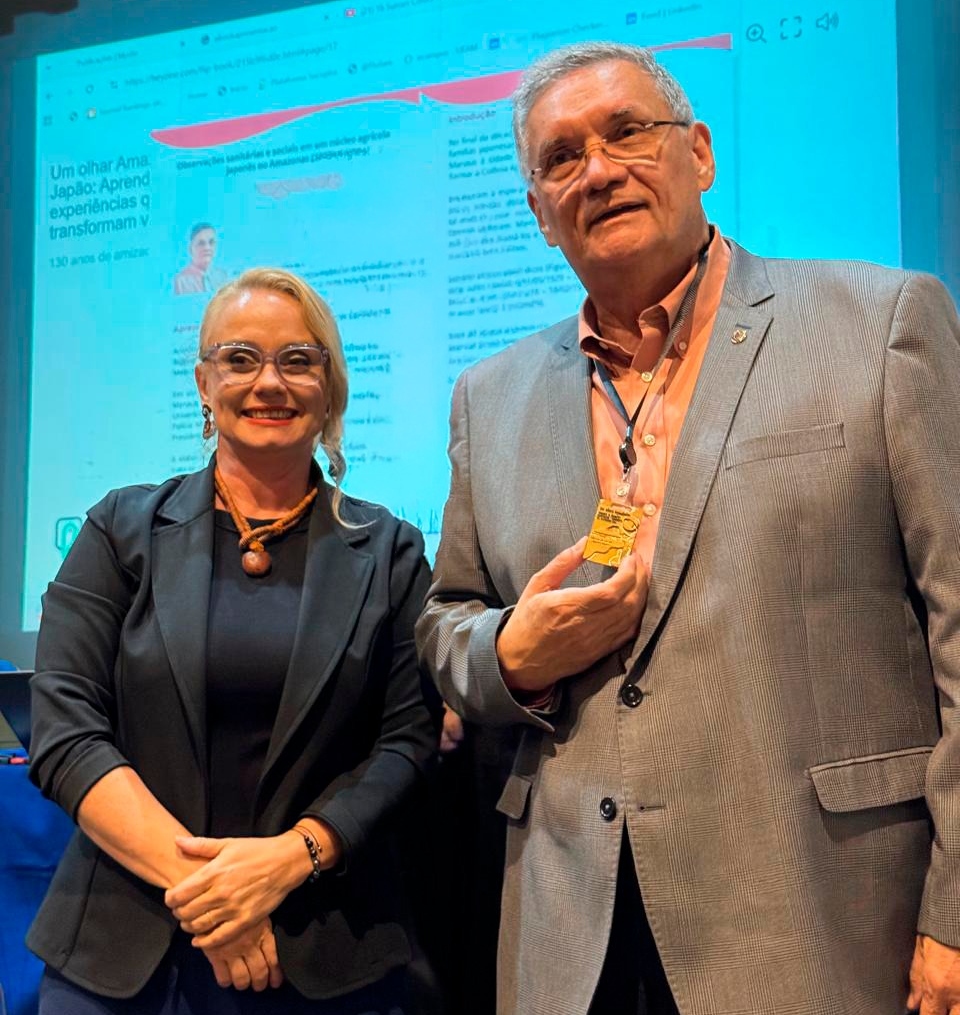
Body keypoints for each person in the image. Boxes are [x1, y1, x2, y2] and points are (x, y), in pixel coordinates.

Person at [415, 40, 960, 1015]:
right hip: (572, 935)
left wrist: (955, 911)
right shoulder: (487, 398)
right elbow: (448, 617)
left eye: (627, 132)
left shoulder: (882, 324)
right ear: (538, 211)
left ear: (699, 154)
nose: (598, 171)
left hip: (817, 917)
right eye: (562, 157)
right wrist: (510, 654)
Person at [28, 267, 441, 1014]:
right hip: (117, 959)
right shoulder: (120, 530)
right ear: (204, 385)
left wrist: (290, 859)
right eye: (240, 358)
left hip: (323, 950)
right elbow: (65, 730)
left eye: (298, 360)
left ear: (330, 388)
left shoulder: (391, 551)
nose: (269, 382)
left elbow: (406, 743)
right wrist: (214, 895)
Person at [174, 222, 230, 295]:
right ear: (190, 249)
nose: (207, 248)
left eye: (211, 242)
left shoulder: (224, 276)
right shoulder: (181, 280)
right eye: (201, 243)